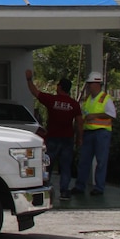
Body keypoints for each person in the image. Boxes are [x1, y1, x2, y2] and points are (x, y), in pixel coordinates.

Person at [26, 70, 82, 201]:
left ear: (60, 87)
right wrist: (80, 138)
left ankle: (45, 189)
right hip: (67, 139)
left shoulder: (52, 100)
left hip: (52, 138)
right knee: (66, 166)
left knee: (47, 165)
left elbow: (35, 92)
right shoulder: (74, 104)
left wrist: (29, 79)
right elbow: (79, 122)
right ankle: (64, 191)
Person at [70, 71, 117, 196]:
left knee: (101, 161)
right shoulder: (88, 99)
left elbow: (112, 114)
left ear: (97, 84)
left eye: (90, 83)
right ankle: (80, 186)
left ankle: (99, 188)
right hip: (88, 133)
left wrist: (94, 116)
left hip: (102, 133)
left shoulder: (105, 99)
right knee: (84, 160)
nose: (89, 86)